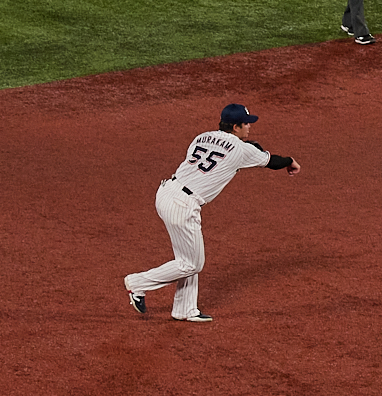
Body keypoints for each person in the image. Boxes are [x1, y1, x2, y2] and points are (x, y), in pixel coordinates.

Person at [123, 103, 301, 322]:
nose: (249, 127)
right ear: (235, 127)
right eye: (246, 124)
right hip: (183, 204)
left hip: (166, 191)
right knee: (192, 264)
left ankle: (185, 309)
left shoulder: (202, 137)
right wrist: (290, 161)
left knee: (187, 255)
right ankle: (138, 283)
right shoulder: (241, 149)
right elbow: (272, 161)